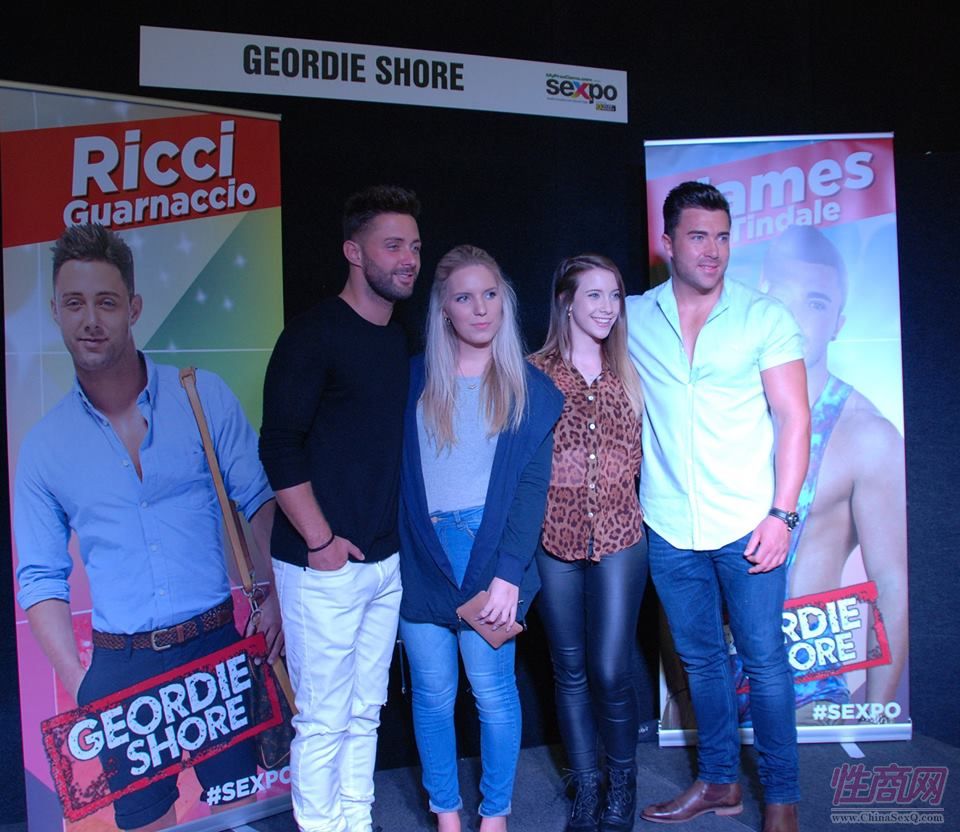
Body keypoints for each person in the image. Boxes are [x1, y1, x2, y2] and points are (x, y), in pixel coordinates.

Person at [15, 222, 282, 832]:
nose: (90, 320)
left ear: (133, 308)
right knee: (145, 824)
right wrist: (80, 682)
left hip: (215, 646)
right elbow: (40, 576)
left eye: (106, 302)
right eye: (74, 303)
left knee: (242, 815)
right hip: (122, 664)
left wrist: (275, 598)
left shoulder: (201, 395)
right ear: (55, 312)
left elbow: (259, 499)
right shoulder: (45, 447)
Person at [626, 182, 810, 832]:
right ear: (667, 243)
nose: (713, 250)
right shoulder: (632, 317)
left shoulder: (764, 317)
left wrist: (782, 515)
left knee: (764, 662)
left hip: (750, 524)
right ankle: (719, 783)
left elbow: (794, 418)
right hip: (669, 525)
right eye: (698, 236)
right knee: (701, 661)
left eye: (723, 237)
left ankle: (781, 800)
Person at [259, 185, 421, 832]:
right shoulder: (312, 335)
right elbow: (278, 448)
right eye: (393, 245)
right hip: (321, 565)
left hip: (383, 563)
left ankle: (356, 820)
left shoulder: (396, 339)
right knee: (324, 720)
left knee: (365, 712)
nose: (409, 258)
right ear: (354, 252)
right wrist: (321, 542)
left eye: (414, 246)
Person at [397, 245, 563, 832]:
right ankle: (446, 815)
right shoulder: (411, 379)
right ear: (444, 308)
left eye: (490, 294)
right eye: (464, 297)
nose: (480, 308)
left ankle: (495, 817)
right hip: (421, 557)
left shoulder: (531, 390)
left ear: (505, 300)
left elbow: (531, 491)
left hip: (490, 556)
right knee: (432, 697)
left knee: (492, 695)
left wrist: (508, 573)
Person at [756, 224, 907, 719]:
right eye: (784, 296)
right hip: (718, 667)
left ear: (838, 322)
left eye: (816, 303)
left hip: (806, 679)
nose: (796, 316)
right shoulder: (724, 408)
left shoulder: (867, 434)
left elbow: (890, 582)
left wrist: (877, 716)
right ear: (763, 296)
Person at [528, 254, 647, 832]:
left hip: (622, 534)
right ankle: (586, 784)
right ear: (567, 301)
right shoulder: (533, 373)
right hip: (553, 538)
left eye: (615, 295)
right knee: (569, 669)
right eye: (594, 295)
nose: (607, 307)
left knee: (609, 669)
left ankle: (622, 782)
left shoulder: (632, 370)